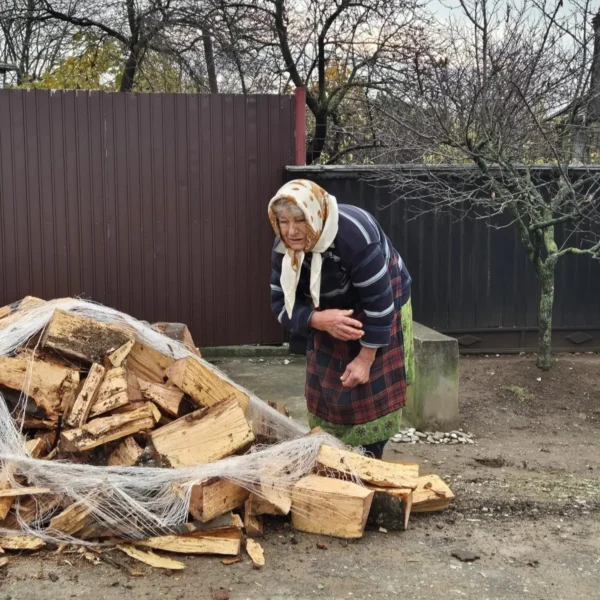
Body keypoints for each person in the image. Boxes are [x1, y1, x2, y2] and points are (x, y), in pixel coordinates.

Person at [268, 179, 414, 458]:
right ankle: (333, 452)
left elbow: (380, 303)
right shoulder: (283, 248)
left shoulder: (355, 237)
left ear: (315, 215)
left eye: (300, 220)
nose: (291, 231)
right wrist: (316, 320)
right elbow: (280, 304)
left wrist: (365, 358)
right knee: (328, 387)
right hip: (325, 311)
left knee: (368, 386)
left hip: (379, 303)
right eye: (283, 221)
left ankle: (370, 456)